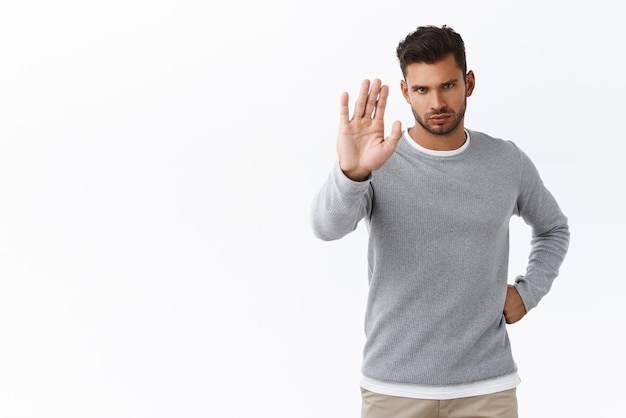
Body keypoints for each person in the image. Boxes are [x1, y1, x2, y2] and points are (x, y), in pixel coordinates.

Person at [310, 25, 570, 418]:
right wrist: (351, 172)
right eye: (421, 90)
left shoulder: (506, 161)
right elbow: (326, 227)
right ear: (404, 92)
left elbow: (553, 229)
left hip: (487, 389)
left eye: (448, 86)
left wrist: (527, 292)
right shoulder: (378, 160)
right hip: (393, 388)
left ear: (469, 82)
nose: (436, 102)